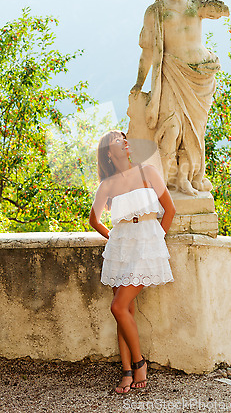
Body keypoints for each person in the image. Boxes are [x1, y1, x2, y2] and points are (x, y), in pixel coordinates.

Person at [130, 0, 229, 196]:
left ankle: (184, 178)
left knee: (193, 135)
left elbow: (223, 10)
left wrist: (214, 8)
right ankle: (165, 183)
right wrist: (139, 84)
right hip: (171, 76)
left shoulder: (196, 6)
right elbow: (148, 52)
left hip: (200, 78)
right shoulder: (155, 11)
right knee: (171, 129)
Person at [89, 130, 176, 393]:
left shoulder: (147, 172)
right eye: (118, 139)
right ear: (108, 152)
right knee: (124, 311)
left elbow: (169, 210)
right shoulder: (107, 185)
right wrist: (113, 238)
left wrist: (155, 239)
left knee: (118, 306)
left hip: (146, 243)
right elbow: (94, 220)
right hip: (121, 246)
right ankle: (127, 371)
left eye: (125, 137)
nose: (125, 141)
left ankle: (139, 363)